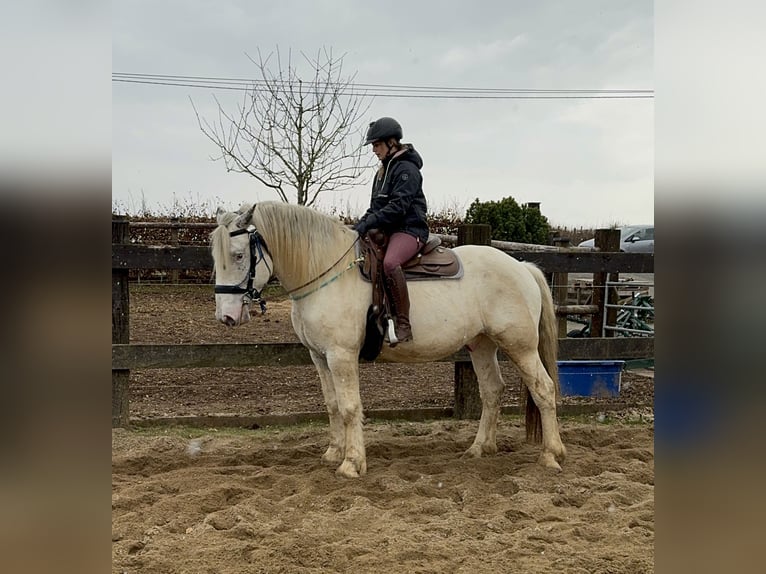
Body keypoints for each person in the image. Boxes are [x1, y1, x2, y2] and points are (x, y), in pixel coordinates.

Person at [353, 117, 429, 345]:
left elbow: (398, 207)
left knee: (389, 263)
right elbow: (376, 207)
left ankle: (404, 324)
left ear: (391, 143)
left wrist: (371, 222)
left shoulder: (406, 170)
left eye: (377, 145)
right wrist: (359, 226)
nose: (374, 150)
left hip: (409, 230)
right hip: (389, 230)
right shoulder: (382, 172)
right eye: (373, 146)